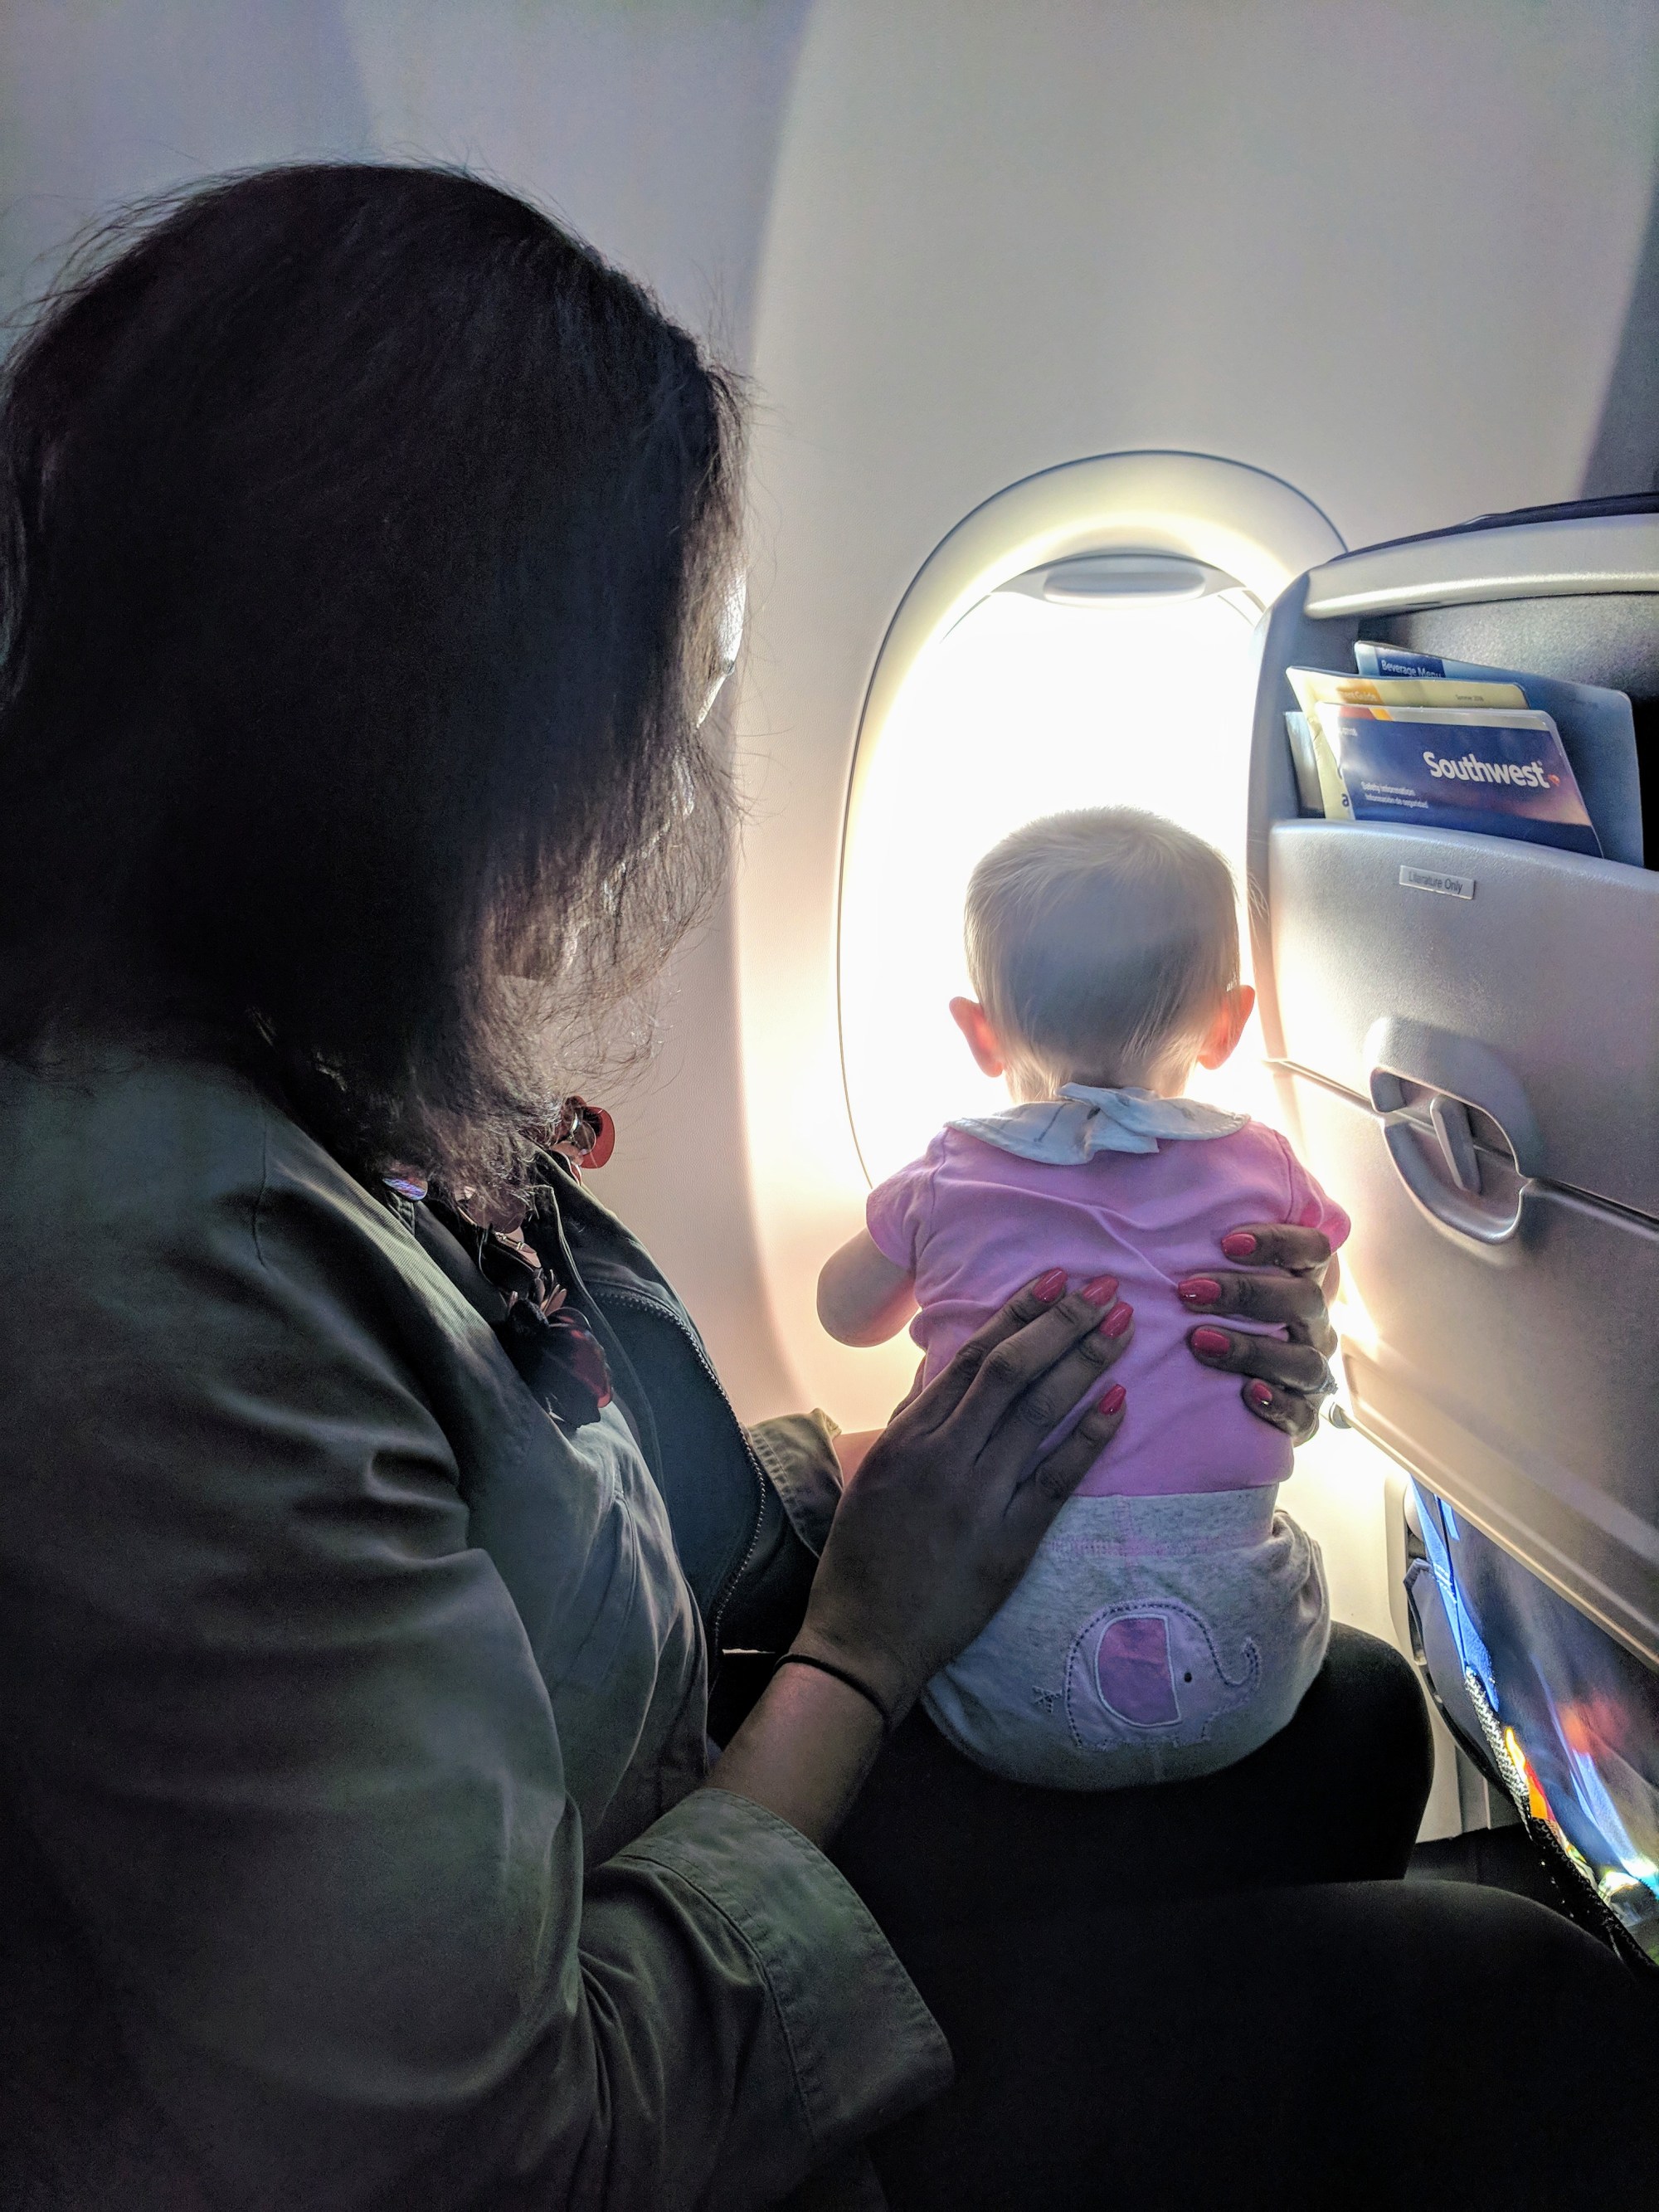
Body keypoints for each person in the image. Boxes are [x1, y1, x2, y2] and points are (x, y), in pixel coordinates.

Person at [0, 163, 1653, 2212]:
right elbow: (501, 2150)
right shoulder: (161, 1272)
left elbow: (540, 1516)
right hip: (642, 2107)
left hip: (636, 1792)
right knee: (1527, 2007)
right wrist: (864, 1637)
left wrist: (977, 1437)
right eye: (669, 688)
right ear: (440, 715)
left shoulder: (323, 1050)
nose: (674, 770)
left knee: (1353, 1715)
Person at [818, 809, 1349, 1791]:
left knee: (852, 1445)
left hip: (1001, 1663)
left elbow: (842, 1315)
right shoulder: (1266, 1166)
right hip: (1247, 1671)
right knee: (1305, 1561)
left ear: (978, 1031)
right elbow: (1316, 1289)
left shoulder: (946, 1171)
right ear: (1227, 1022)